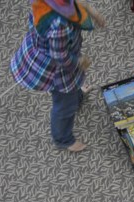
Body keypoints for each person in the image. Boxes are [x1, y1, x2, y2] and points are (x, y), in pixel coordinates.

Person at [10, 0, 105, 152]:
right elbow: (60, 56)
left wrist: (90, 9)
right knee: (64, 106)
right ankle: (63, 139)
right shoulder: (59, 24)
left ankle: (77, 97)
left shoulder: (51, 5)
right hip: (57, 69)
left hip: (55, 54)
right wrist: (79, 61)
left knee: (72, 89)